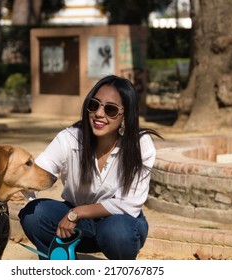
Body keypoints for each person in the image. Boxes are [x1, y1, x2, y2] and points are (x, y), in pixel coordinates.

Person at [19, 75, 162, 260]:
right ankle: (59, 263)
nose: (99, 114)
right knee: (34, 214)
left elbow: (128, 204)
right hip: (76, 227)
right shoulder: (70, 138)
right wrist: (21, 189)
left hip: (119, 225)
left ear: (125, 114)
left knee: (118, 231)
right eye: (94, 105)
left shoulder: (140, 144)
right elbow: (38, 172)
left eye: (110, 109)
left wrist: (77, 212)